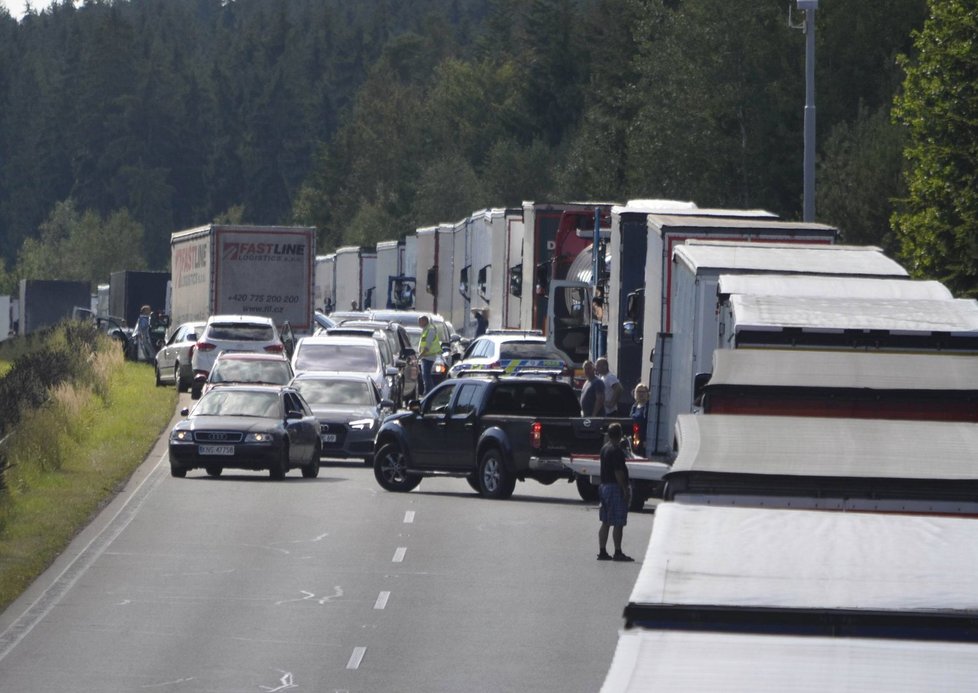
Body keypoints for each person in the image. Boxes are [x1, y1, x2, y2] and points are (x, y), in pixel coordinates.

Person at [597, 422, 633, 562]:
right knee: (618, 521)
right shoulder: (616, 451)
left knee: (605, 521)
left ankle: (602, 551)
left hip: (604, 486)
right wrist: (624, 489)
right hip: (614, 487)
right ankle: (618, 552)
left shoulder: (604, 448)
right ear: (620, 435)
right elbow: (618, 472)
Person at [417, 314, 442, 396]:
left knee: (427, 378)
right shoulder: (425, 329)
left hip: (429, 357)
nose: (419, 323)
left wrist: (420, 356)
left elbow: (427, 347)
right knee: (426, 378)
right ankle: (428, 394)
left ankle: (429, 394)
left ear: (425, 321)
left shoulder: (430, 330)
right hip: (426, 357)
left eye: (420, 321)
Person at [630, 383, 650, 452]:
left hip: (644, 436)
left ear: (647, 393)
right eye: (638, 391)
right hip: (635, 434)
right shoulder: (634, 406)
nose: (641, 394)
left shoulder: (648, 406)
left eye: (643, 392)